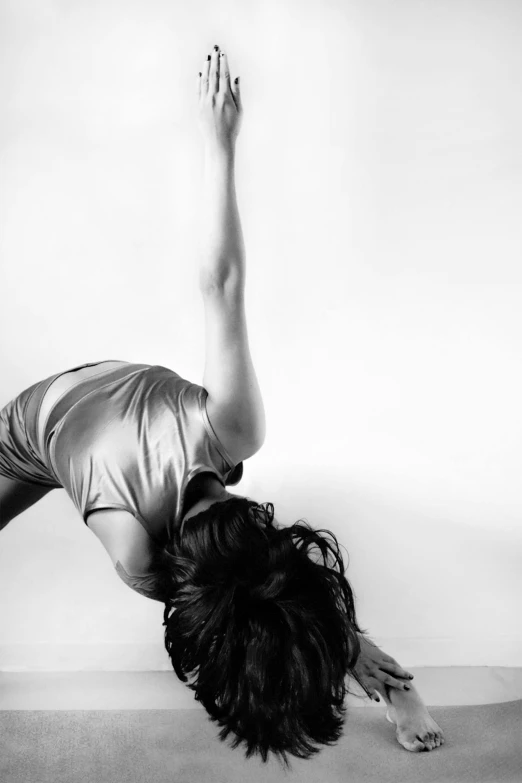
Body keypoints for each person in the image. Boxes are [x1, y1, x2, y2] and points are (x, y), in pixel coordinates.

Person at [0, 44, 444, 769]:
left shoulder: (233, 434)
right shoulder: (145, 554)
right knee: (270, 609)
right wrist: (219, 145)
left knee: (272, 610)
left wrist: (220, 140)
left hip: (67, 420)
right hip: (27, 431)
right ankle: (382, 674)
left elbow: (222, 285)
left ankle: (380, 672)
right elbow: (221, 282)